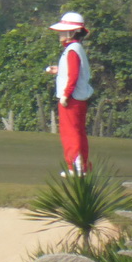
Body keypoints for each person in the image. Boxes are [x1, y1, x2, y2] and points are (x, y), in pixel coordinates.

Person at [47, 11, 93, 176]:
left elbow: (73, 75)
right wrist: (58, 70)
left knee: (70, 132)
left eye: (63, 32)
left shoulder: (73, 50)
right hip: (79, 97)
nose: (60, 35)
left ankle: (76, 167)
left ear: (72, 32)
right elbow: (73, 71)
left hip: (71, 98)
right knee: (78, 131)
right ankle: (82, 167)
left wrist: (66, 95)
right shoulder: (76, 49)